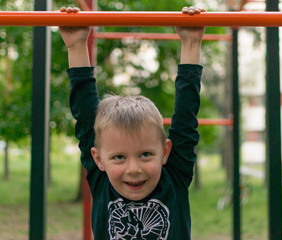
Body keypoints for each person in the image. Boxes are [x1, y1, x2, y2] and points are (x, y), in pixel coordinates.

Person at [59, 6, 206, 240]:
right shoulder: (102, 180)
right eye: (119, 157)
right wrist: (77, 45)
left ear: (165, 151)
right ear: (98, 159)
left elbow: (186, 117)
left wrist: (191, 44)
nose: (134, 169)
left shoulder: (174, 177)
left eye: (146, 154)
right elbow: (86, 120)